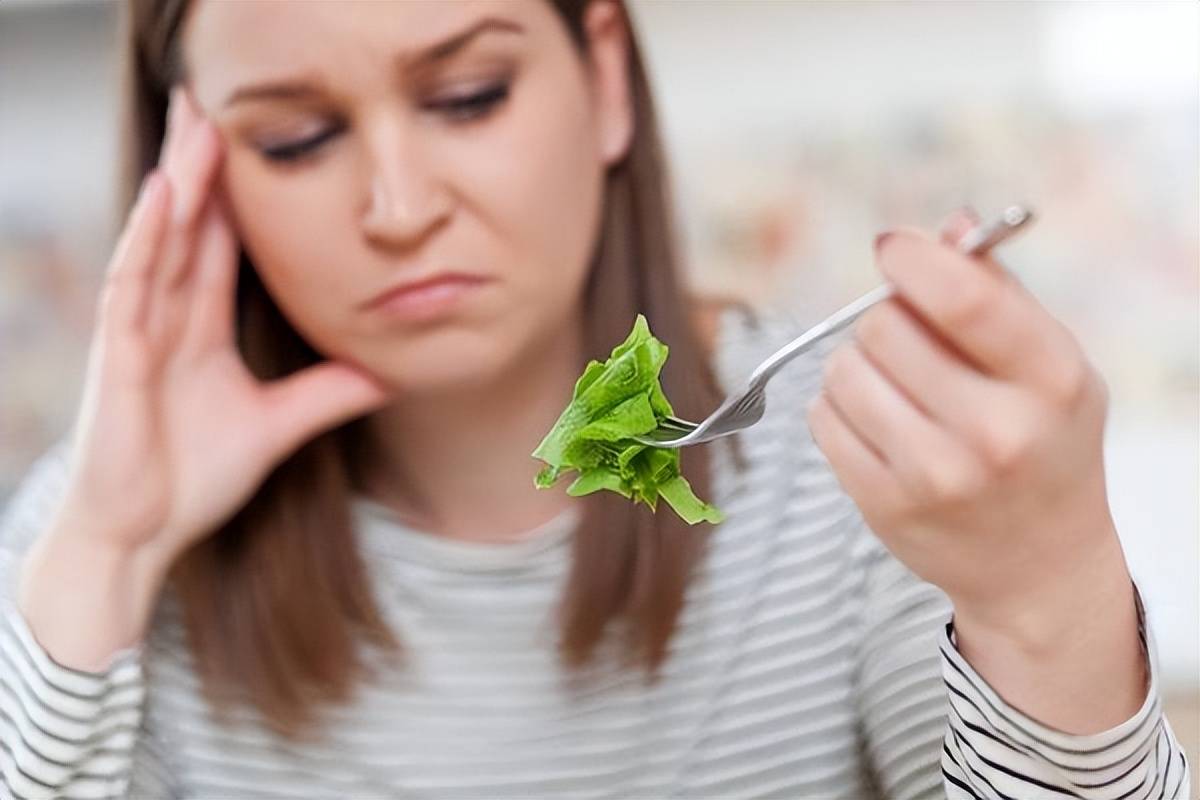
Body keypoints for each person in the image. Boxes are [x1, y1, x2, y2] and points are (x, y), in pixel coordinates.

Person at [0, 1, 1189, 798]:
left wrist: (1046, 596)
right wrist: (103, 551)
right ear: (189, 166)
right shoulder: (97, 527)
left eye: (467, 95)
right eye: (300, 138)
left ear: (606, 73)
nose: (399, 205)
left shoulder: (863, 461)